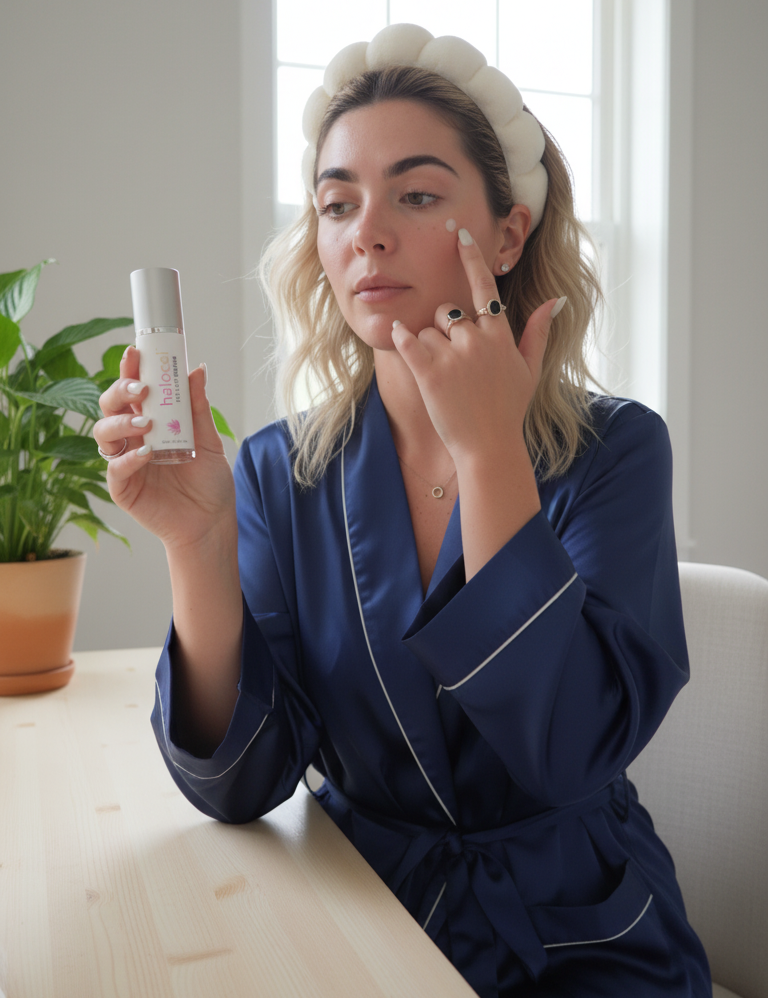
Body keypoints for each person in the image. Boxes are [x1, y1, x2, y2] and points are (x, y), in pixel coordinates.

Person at [95, 24, 712, 998]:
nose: (366, 232)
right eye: (337, 203)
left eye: (415, 195)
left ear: (507, 233)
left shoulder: (617, 450)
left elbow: (565, 749)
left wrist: (488, 450)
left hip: (584, 940)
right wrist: (198, 540)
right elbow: (241, 784)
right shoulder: (277, 470)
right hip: (362, 921)